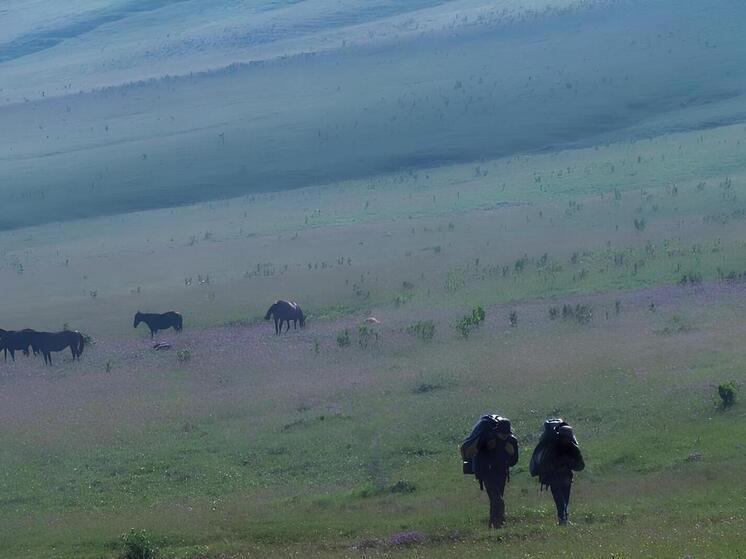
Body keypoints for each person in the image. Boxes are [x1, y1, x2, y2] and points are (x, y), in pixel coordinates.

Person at [532, 422, 585, 525]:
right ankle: (563, 519)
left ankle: (563, 519)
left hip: (565, 478)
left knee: (564, 500)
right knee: (560, 500)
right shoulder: (554, 448)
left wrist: (569, 463)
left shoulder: (572, 449)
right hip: (555, 478)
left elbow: (581, 465)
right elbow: (547, 463)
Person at [474, 420, 519, 529]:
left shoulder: (512, 441)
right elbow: (479, 457)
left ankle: (492, 522)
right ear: (497, 431)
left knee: (495, 498)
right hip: (487, 473)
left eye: (506, 434)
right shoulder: (488, 439)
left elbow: (513, 461)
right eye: (502, 433)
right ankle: (499, 522)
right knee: (497, 498)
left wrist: (511, 453)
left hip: (501, 473)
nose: (504, 436)